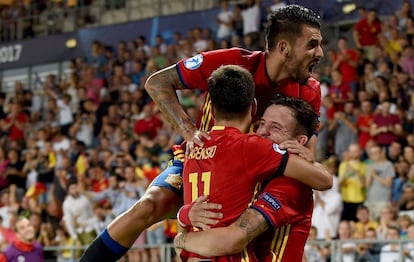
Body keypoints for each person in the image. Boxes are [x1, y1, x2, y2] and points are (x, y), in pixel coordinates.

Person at [81, 4, 324, 261]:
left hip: (261, 171)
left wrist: (304, 156)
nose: (320, 52)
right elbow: (157, 82)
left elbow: (309, 154)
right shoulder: (231, 62)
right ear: (284, 48)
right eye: (312, 44)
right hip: (205, 162)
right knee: (150, 205)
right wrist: (188, 130)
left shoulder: (311, 91)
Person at [177, 65, 330, 261]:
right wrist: (183, 224)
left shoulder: (193, 147)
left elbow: (233, 238)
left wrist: (181, 233)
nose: (263, 132)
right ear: (254, 109)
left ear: (212, 111)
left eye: (275, 127)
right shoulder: (251, 153)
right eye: (262, 123)